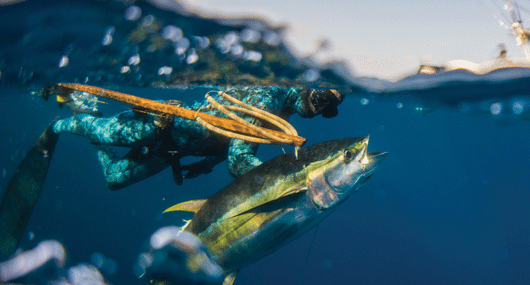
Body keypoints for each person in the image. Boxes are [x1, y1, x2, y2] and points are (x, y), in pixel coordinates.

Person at [49, 86, 343, 190]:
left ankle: (92, 132)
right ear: (310, 85)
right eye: (323, 97)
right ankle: (58, 125)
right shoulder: (269, 100)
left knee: (114, 179)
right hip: (161, 125)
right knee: (95, 128)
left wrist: (206, 164)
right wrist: (290, 181)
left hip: (172, 149)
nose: (321, 109)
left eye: (329, 109)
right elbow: (239, 159)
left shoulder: (282, 117)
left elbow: (230, 133)